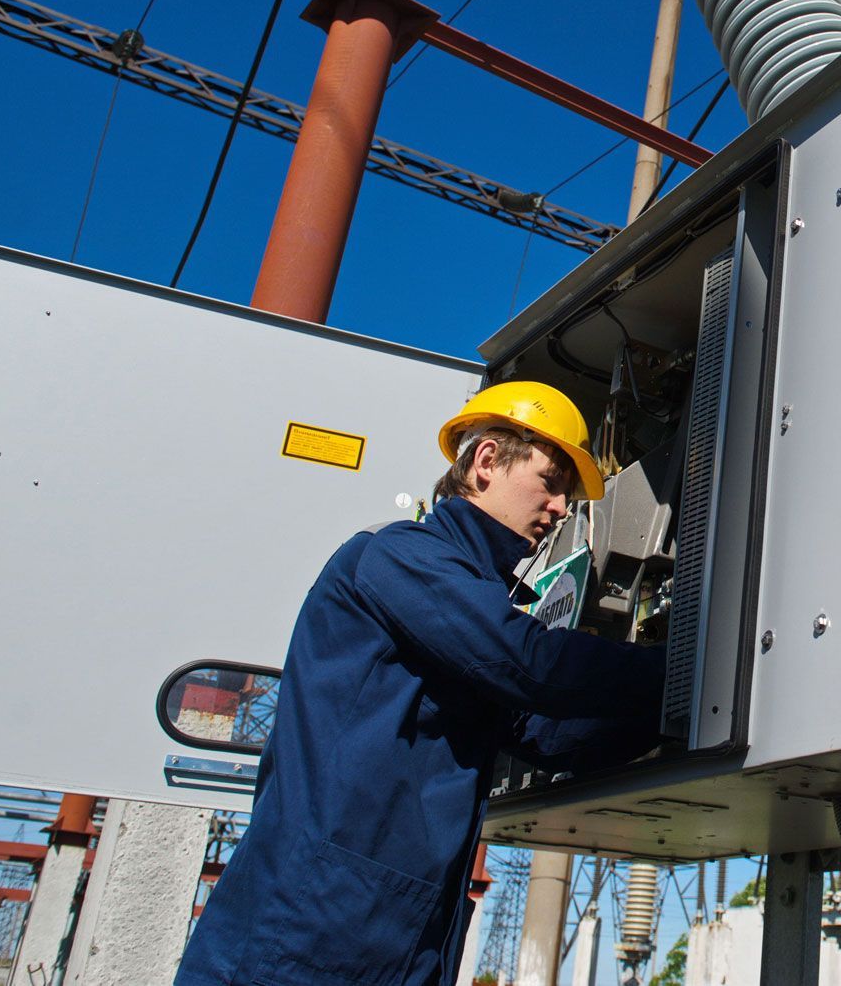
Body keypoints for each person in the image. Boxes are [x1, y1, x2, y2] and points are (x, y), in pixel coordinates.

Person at [176, 382, 664, 986]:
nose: (563, 506)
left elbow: (544, 732)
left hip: (396, 938)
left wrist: (680, 715)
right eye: (552, 479)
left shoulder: (469, 602)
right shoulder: (398, 557)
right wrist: (686, 665)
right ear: (487, 461)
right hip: (305, 931)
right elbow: (526, 662)